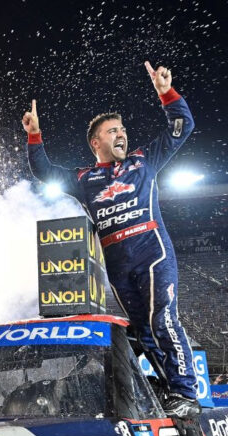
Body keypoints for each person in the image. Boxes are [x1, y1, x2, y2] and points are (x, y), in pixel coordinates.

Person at [23, 61, 198, 417]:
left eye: (122, 129)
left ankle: (187, 394)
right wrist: (34, 135)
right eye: (112, 130)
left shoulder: (144, 161)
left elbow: (182, 127)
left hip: (153, 252)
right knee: (145, 334)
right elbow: (44, 171)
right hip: (118, 265)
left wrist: (166, 93)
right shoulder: (84, 178)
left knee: (162, 320)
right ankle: (169, 392)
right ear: (95, 142)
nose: (121, 134)